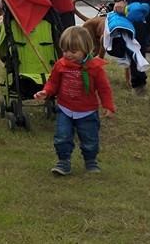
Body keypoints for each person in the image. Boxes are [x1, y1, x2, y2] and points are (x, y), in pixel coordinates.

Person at [34, 26, 115, 176]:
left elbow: (104, 89)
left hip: (87, 111)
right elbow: (53, 82)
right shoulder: (61, 65)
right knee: (62, 137)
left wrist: (108, 106)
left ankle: (91, 161)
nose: (68, 55)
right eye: (65, 51)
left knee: (89, 138)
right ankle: (63, 162)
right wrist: (46, 91)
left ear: (85, 49)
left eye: (73, 51)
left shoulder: (94, 68)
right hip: (65, 109)